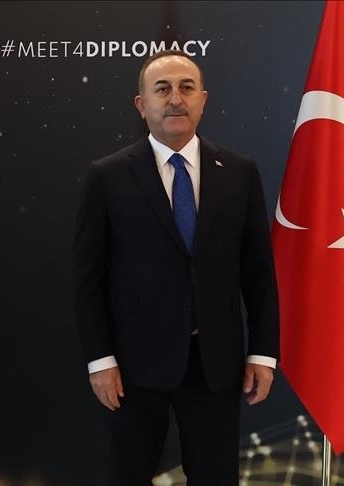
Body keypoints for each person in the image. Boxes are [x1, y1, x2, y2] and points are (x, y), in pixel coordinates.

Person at [73, 50, 279, 485]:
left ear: (203, 99)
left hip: (215, 365)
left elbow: (258, 271)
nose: (175, 99)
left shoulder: (239, 172)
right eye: (162, 89)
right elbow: (87, 277)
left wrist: (262, 353)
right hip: (132, 367)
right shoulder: (107, 176)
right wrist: (100, 360)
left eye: (186, 88)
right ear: (141, 104)